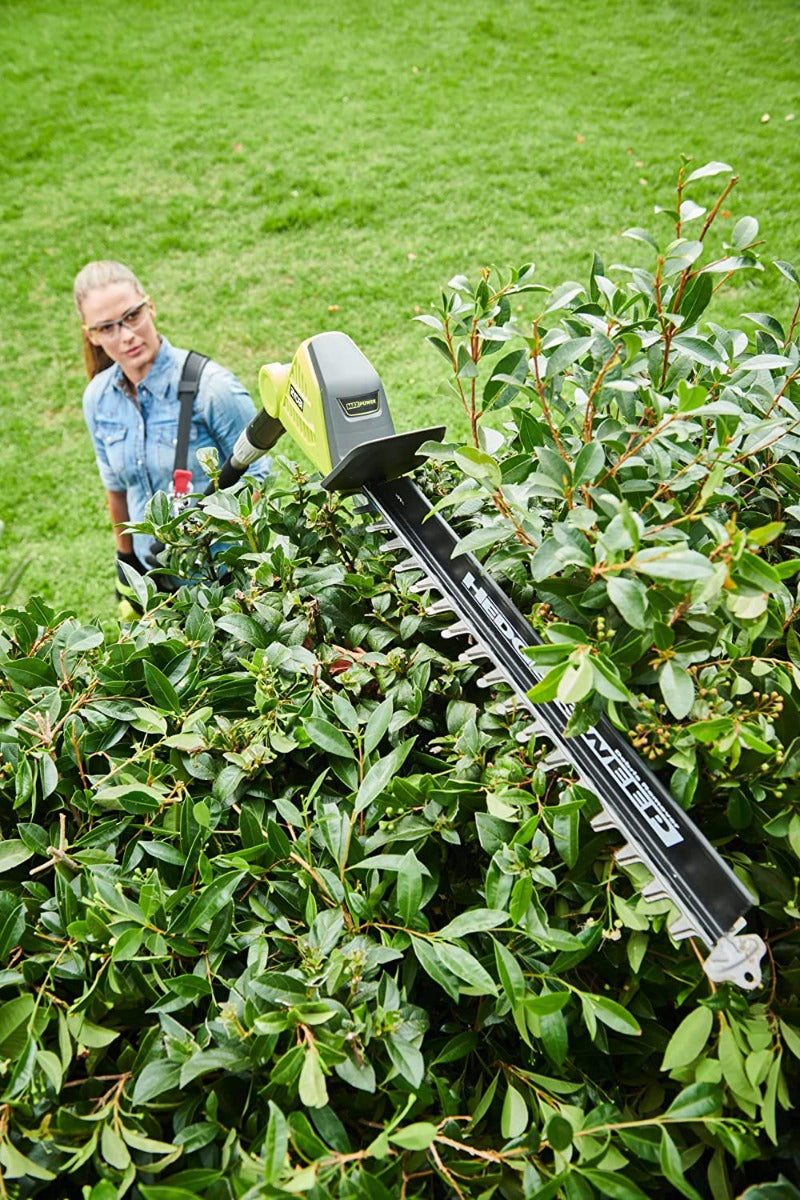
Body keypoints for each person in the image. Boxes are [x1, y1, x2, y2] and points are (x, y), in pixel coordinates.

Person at [74, 260, 268, 595]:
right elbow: (116, 490)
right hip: (156, 586)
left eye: (132, 316)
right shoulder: (98, 399)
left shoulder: (211, 387)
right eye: (107, 328)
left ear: (150, 306)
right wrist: (127, 560)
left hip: (224, 579)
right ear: (91, 336)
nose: (127, 336)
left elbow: (258, 477)